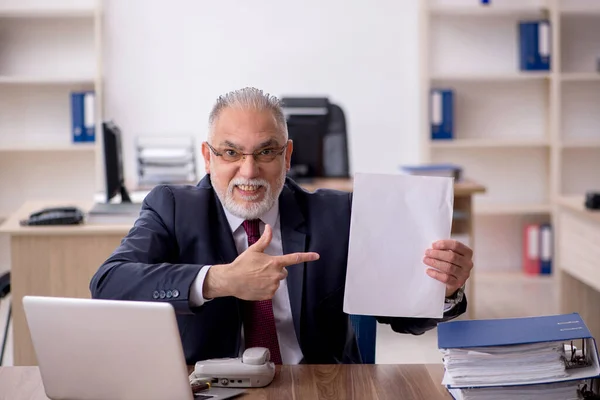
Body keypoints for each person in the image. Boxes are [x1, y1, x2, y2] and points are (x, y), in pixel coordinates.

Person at [90, 87, 473, 365]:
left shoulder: (337, 214)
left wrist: (443, 287)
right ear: (208, 158)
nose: (249, 170)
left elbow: (405, 313)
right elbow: (109, 283)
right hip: (208, 387)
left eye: (267, 152)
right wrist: (220, 280)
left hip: (319, 387)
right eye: (230, 152)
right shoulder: (172, 208)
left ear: (287, 156)